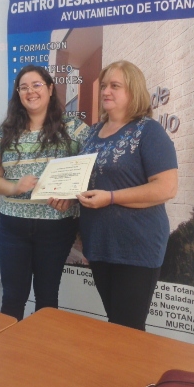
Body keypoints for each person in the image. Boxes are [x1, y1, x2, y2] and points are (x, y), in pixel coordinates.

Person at [76, 60, 178, 331]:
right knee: (115, 323)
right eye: (105, 85)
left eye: (115, 86)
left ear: (133, 92)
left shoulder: (149, 131)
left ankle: (136, 375)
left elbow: (166, 188)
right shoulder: (93, 132)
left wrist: (110, 197)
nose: (106, 91)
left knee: (128, 328)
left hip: (137, 245)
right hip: (99, 243)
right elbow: (85, 180)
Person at [0, 64, 88, 320]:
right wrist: (13, 187)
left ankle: (43, 356)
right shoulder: (6, 130)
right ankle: (9, 356)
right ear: (18, 94)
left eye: (37, 85)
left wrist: (72, 195)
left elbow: (92, 168)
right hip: (13, 225)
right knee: (12, 298)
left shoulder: (73, 128)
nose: (30, 92)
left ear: (50, 89)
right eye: (24, 87)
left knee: (47, 298)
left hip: (56, 227)